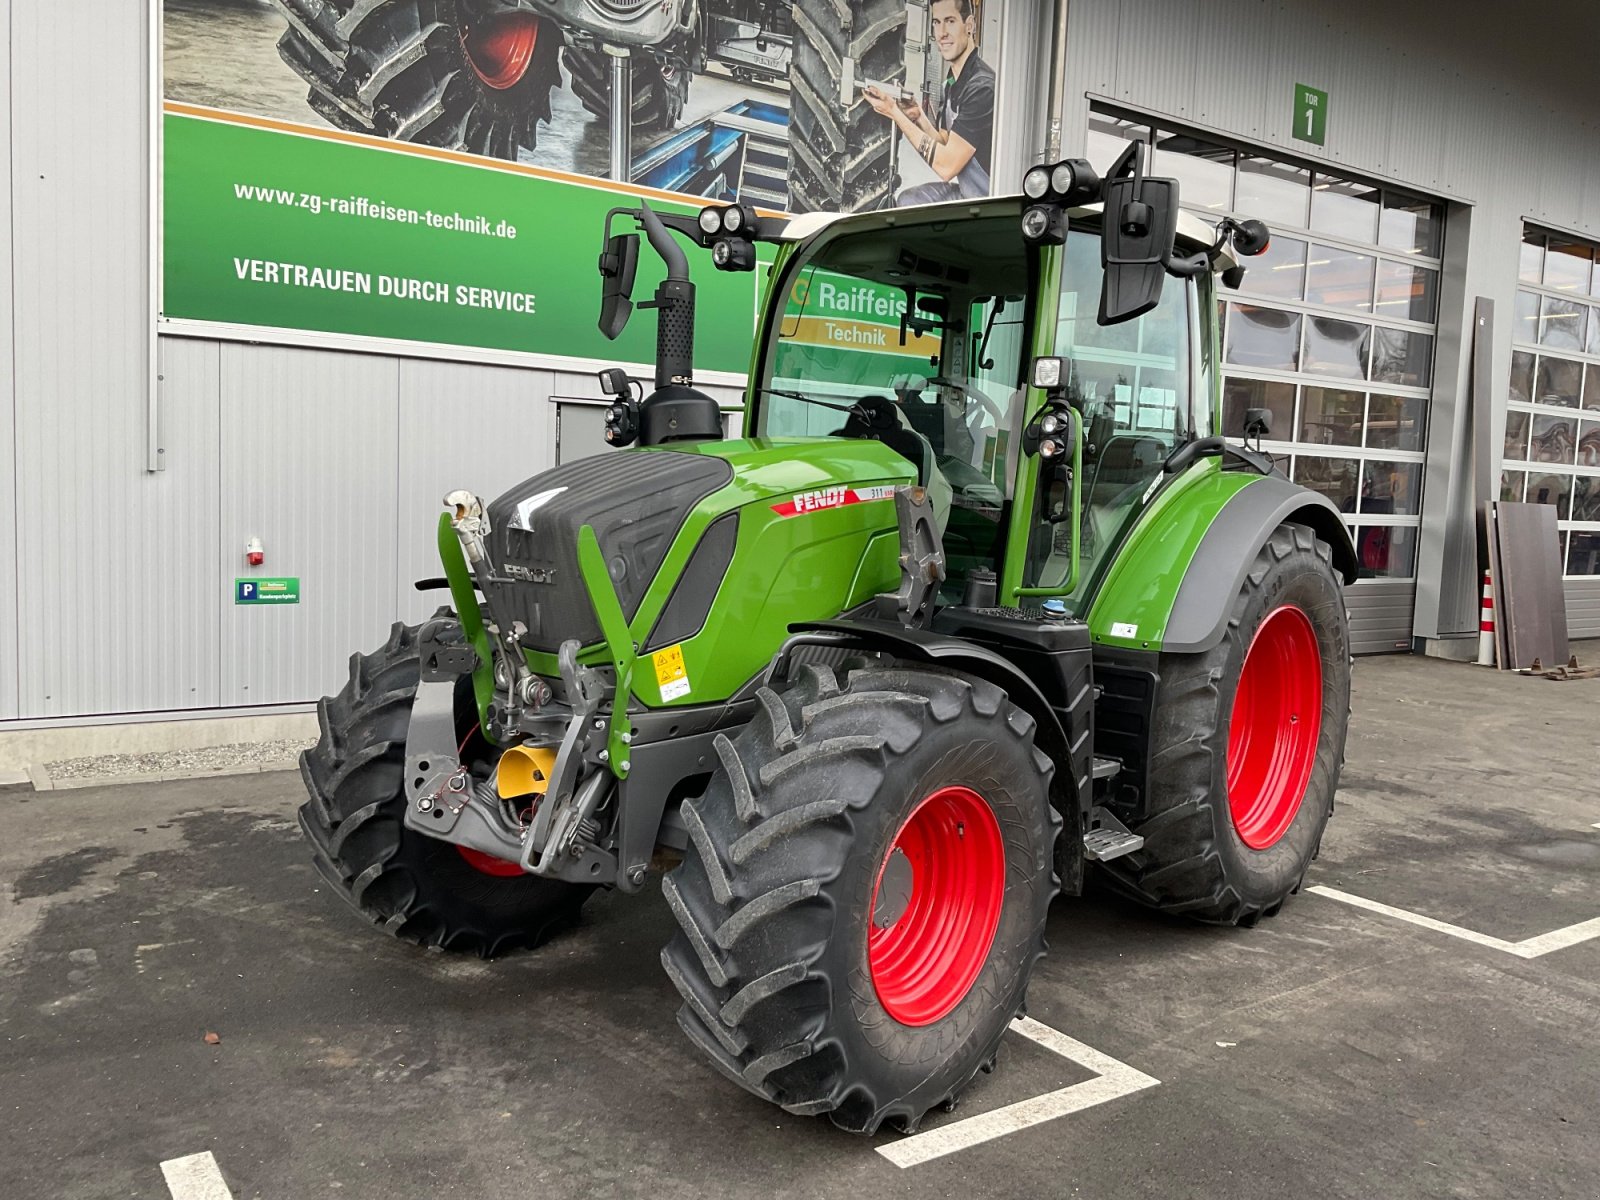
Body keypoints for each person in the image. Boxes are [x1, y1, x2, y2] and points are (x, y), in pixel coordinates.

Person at [864, 0, 995, 204]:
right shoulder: (953, 81)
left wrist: (894, 112)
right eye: (936, 22)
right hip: (967, 192)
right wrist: (919, 117)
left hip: (987, 202)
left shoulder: (982, 88)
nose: (941, 33)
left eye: (950, 21)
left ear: (969, 25)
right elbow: (945, 142)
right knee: (909, 200)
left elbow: (946, 167)